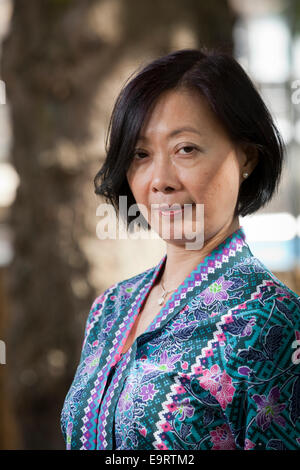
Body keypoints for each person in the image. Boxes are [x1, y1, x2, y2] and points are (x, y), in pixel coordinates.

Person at [60, 48, 300, 450]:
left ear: (247, 157)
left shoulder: (275, 324)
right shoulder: (110, 309)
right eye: (140, 154)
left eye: (185, 148)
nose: (160, 180)